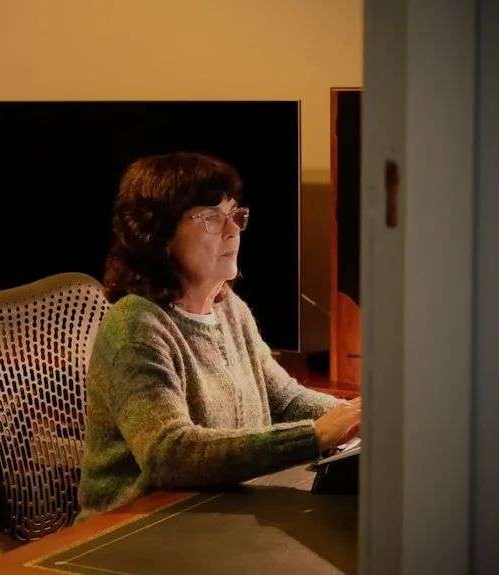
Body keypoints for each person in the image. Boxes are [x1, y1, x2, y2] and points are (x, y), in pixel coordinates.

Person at [77, 152, 361, 519]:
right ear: (159, 234)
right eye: (211, 218)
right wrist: (316, 436)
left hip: (207, 514)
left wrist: (355, 417)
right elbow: (170, 455)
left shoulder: (230, 308)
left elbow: (285, 401)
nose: (233, 230)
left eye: (235, 215)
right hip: (129, 531)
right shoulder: (135, 326)